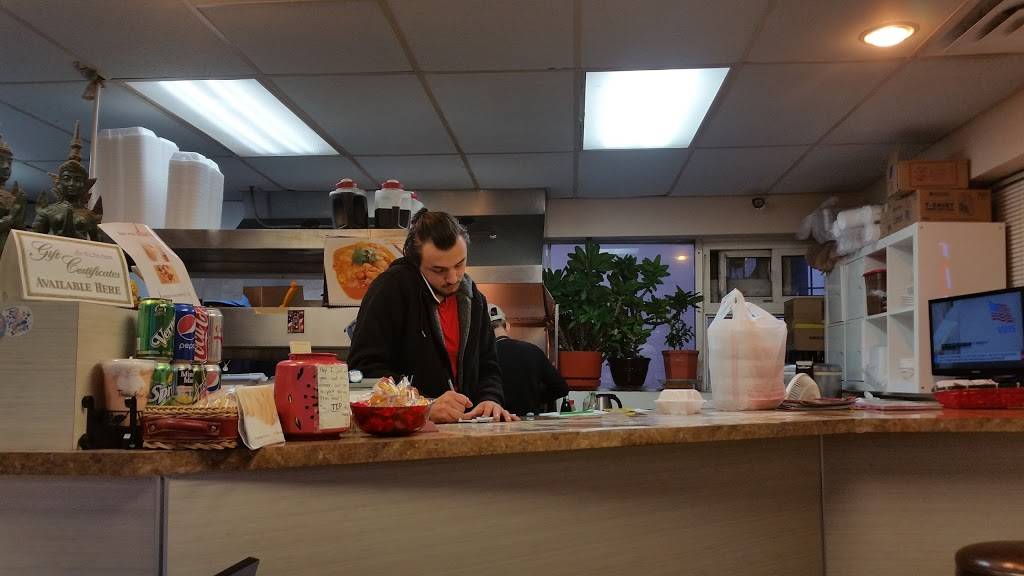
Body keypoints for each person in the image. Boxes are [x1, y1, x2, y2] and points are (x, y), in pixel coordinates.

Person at [348, 209, 517, 423]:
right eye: (439, 270)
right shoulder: (391, 289)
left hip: (464, 428)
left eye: (459, 264)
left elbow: (488, 366)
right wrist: (423, 406)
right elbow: (362, 370)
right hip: (406, 432)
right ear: (415, 262)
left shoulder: (475, 300)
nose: (453, 278)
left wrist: (490, 399)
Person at [489, 305, 569, 416]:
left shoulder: (483, 357)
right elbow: (561, 388)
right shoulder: (533, 350)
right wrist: (535, 398)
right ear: (507, 326)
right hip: (530, 420)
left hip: (495, 421)